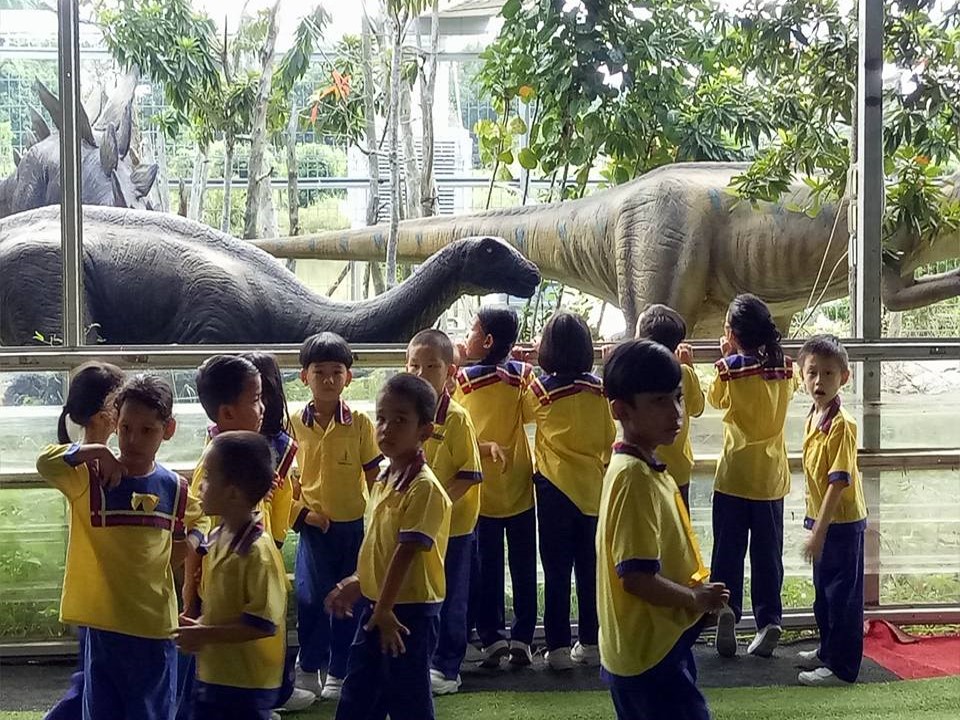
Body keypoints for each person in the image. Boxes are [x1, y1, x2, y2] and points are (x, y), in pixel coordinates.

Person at [36, 374, 203, 720]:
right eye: (126, 427)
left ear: (168, 430)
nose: (133, 440)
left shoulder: (175, 487)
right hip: (103, 627)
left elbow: (199, 521)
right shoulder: (91, 477)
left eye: (148, 430)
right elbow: (46, 463)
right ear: (114, 422)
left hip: (155, 628)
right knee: (99, 711)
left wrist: (188, 543)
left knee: (150, 712)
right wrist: (95, 450)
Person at [598, 340, 727, 720]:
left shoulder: (644, 466)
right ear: (621, 409)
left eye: (678, 398)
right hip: (647, 652)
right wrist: (694, 599)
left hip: (654, 644)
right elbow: (636, 577)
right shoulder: (633, 478)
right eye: (658, 401)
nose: (676, 413)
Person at [190, 353, 315, 713]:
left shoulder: (253, 547)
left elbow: (259, 621)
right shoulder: (220, 476)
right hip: (222, 669)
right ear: (227, 412)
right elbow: (200, 534)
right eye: (256, 398)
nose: (263, 408)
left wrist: (204, 632)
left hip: (244, 678)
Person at [325, 373, 452, 720]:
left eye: (400, 421)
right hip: (379, 604)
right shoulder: (383, 477)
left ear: (424, 430)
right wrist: (358, 582)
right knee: (359, 694)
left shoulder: (424, 488)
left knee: (407, 697)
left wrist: (383, 608)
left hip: (408, 613)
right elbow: (378, 544)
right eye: (381, 418)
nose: (387, 429)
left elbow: (406, 552)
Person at [291, 332, 383, 700]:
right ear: (304, 377)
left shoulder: (359, 423)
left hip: (352, 527)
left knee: (347, 599)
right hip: (313, 528)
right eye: (319, 372)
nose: (328, 380)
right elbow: (285, 483)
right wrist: (302, 515)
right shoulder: (294, 423)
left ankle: (339, 668)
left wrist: (380, 517)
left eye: (336, 372)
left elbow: (374, 474)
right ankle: (310, 664)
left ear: (349, 377)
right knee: (311, 597)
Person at [174, 431, 289, 720]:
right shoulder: (218, 537)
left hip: (245, 686)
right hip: (215, 676)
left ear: (234, 492)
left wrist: (204, 634)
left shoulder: (257, 553)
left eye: (209, 476)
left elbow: (261, 624)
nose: (200, 484)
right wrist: (198, 624)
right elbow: (228, 610)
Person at [523, 312, 615, 670]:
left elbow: (524, 412)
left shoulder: (541, 390)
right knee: (590, 568)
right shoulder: (600, 390)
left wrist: (528, 369)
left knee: (556, 568)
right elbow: (609, 436)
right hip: (593, 487)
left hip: (553, 489)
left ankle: (558, 646)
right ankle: (591, 641)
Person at [707, 293, 796, 659]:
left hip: (733, 477)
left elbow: (714, 400)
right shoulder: (786, 369)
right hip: (771, 480)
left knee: (727, 552)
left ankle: (726, 611)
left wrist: (726, 357)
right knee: (767, 555)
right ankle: (769, 619)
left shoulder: (730, 369)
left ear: (731, 332)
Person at [453, 306, 537, 667]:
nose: (466, 336)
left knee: (486, 567)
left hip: (479, 491)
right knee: (523, 564)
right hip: (518, 484)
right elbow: (534, 412)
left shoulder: (462, 382)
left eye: (471, 330)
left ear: (486, 341)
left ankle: (491, 637)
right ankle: (523, 637)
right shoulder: (522, 377)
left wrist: (453, 363)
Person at [43, 362, 126, 720]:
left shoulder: (129, 461)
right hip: (96, 597)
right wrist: (99, 452)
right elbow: (45, 461)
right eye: (118, 402)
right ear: (104, 413)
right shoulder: (81, 469)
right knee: (96, 679)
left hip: (125, 594)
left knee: (98, 678)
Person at [406, 329, 483, 695]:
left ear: (450, 371)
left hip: (453, 527)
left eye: (431, 366)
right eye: (414, 366)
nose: (421, 374)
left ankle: (448, 667)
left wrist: (437, 506)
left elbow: (469, 475)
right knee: (425, 593)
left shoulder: (456, 418)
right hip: (421, 527)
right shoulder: (406, 416)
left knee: (452, 594)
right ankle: (426, 658)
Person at [796, 335, 866, 686]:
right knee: (823, 594)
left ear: (844, 378)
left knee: (842, 597)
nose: (819, 381)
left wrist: (819, 531)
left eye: (828, 373)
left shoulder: (842, 425)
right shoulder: (813, 416)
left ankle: (842, 667)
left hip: (840, 523)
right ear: (800, 376)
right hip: (821, 520)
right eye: (812, 373)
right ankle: (827, 651)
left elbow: (838, 482)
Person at [635, 304, 705, 510]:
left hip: (643, 467)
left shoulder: (634, 373)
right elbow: (697, 408)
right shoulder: (683, 372)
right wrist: (689, 366)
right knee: (678, 527)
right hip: (678, 469)